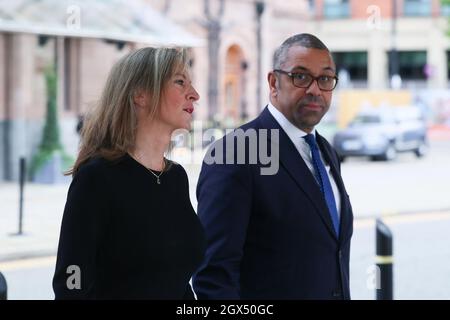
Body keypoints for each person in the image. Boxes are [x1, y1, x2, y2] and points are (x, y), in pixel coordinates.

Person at [193, 34, 354, 299]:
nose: (315, 89)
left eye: (325, 79)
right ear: (273, 82)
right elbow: (213, 276)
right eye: (300, 76)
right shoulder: (236, 152)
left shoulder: (325, 151)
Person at [53, 47, 205, 299]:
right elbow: (70, 282)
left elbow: (176, 280)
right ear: (140, 95)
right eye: (180, 82)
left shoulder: (176, 177)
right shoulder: (97, 178)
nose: (195, 94)